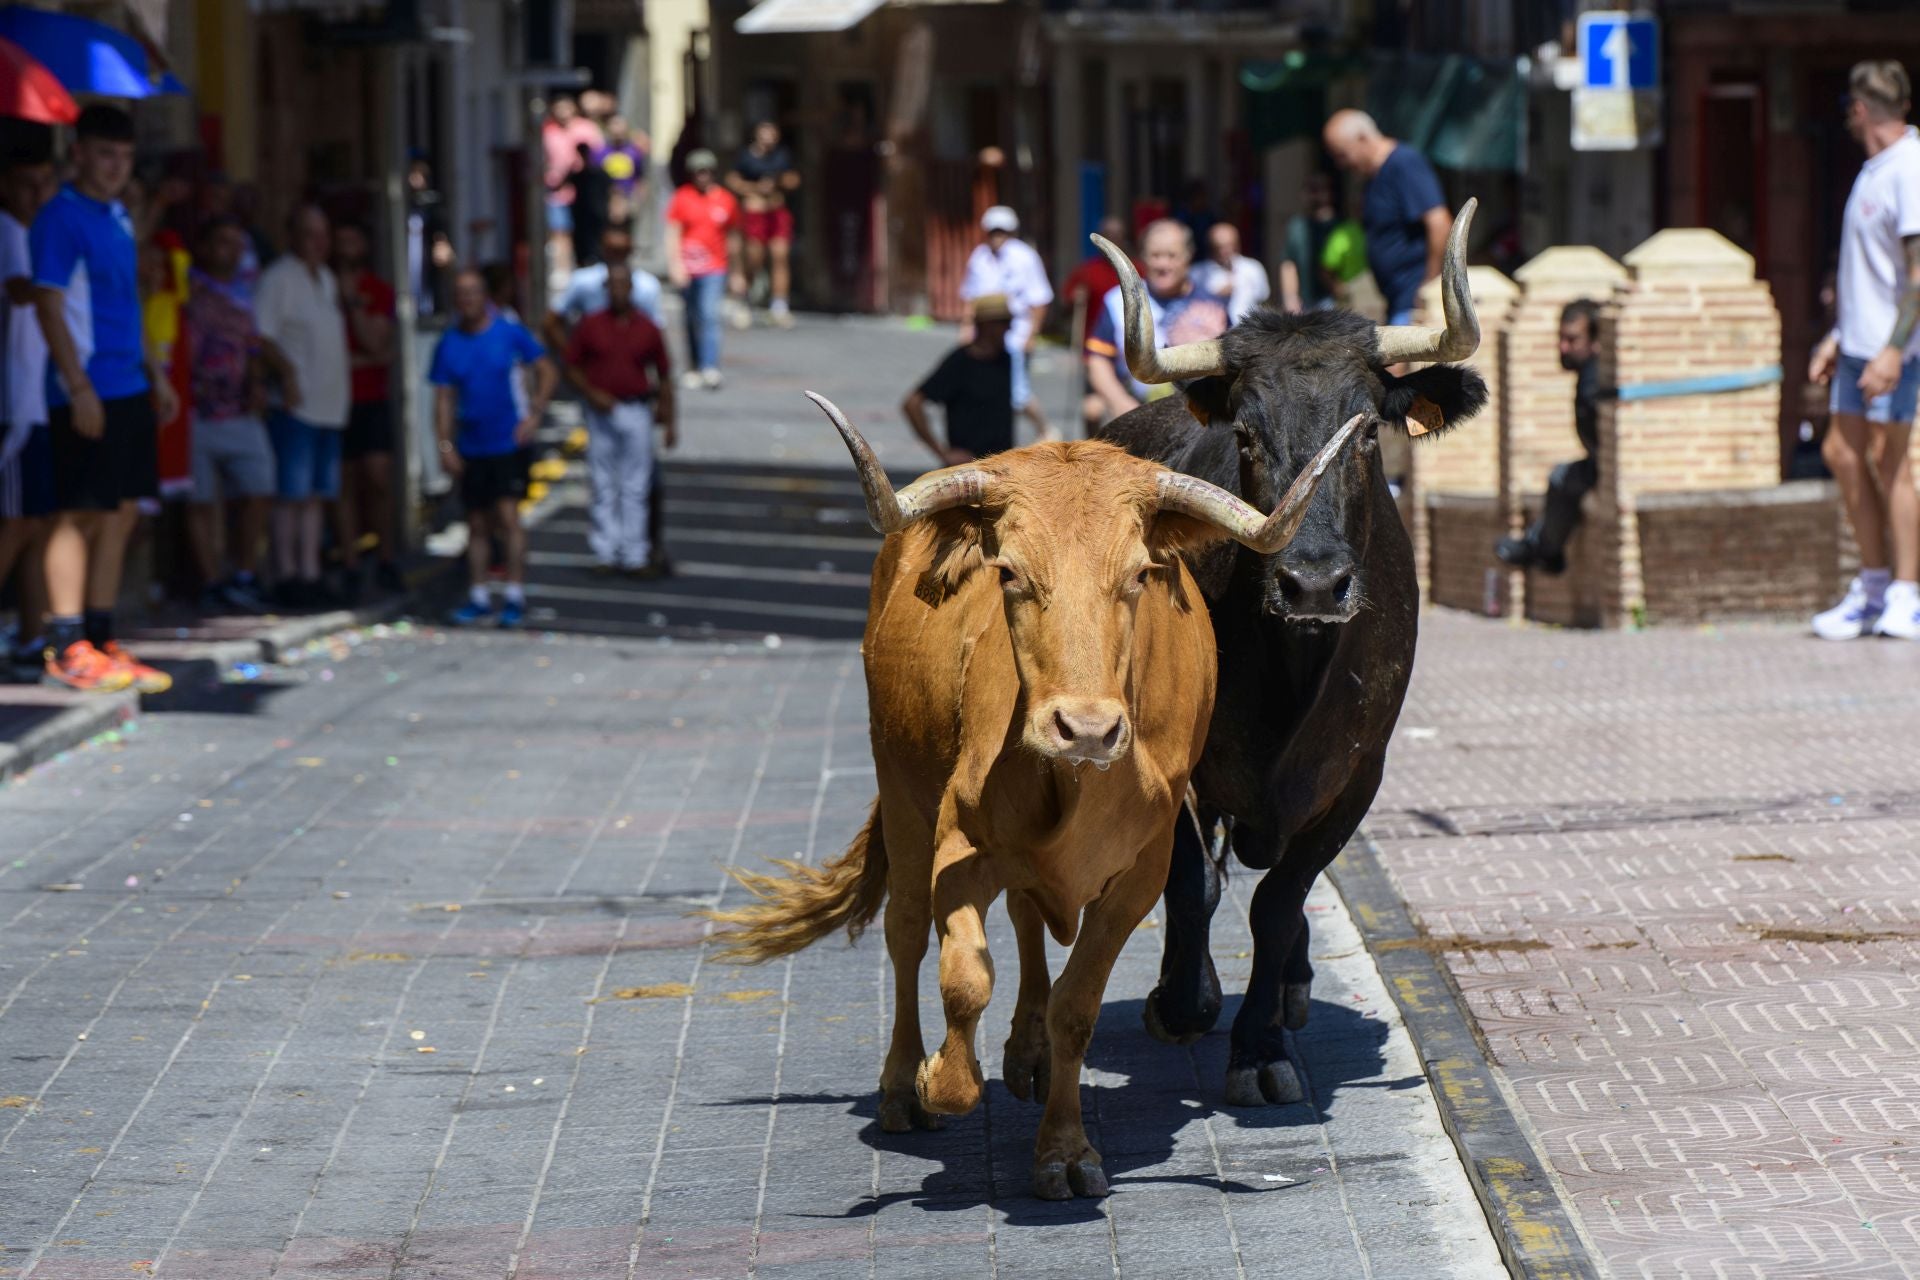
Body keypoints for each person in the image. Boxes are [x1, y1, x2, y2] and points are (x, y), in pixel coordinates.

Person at [31, 105, 177, 693]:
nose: (116, 167)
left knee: (119, 514)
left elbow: (129, 303)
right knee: (77, 511)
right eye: (105, 155)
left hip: (129, 385)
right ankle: (66, 646)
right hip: (84, 387)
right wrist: (78, 386)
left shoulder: (119, 215)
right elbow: (48, 303)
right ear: (79, 153)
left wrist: (156, 375)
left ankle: (102, 637)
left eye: (125, 157)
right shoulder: (59, 219)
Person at [1810, 62, 1920, 641]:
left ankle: (1907, 593)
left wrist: (1894, 351)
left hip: (1892, 348)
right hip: (1856, 344)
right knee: (1841, 453)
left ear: (1860, 109)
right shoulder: (1873, 170)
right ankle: (1873, 587)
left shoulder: (1910, 168)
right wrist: (1836, 337)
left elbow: (1918, 276)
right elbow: (1869, 274)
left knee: (1890, 460)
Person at [430, 268, 555, 629]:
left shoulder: (509, 333)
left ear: (485, 296)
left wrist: (534, 415)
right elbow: (442, 399)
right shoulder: (449, 343)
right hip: (471, 444)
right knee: (476, 523)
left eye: (473, 292)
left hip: (508, 441)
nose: (467, 300)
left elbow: (547, 370)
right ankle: (479, 595)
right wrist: (444, 444)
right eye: (461, 293)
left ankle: (514, 594)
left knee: (509, 517)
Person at [545, 225, 670, 574]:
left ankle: (636, 554)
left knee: (637, 484)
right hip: (599, 408)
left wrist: (667, 413)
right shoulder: (585, 299)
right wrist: (588, 387)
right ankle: (606, 553)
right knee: (603, 483)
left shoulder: (647, 309)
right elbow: (557, 333)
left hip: (636, 407)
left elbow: (663, 368)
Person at [183, 218, 285, 615]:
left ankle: (243, 573)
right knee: (200, 500)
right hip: (195, 409)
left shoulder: (250, 290)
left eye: (236, 242)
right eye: (221, 241)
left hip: (241, 409)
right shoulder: (188, 285)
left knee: (259, 487)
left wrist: (262, 381)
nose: (230, 250)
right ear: (205, 247)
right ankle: (211, 581)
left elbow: (255, 346)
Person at [255, 205, 351, 610]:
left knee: (315, 495)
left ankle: (310, 572)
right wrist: (287, 375)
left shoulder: (326, 278)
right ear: (293, 236)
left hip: (330, 403)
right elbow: (261, 334)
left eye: (324, 233)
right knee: (290, 494)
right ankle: (287, 573)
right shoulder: (279, 278)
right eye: (311, 234)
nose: (320, 242)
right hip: (297, 404)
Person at [1084, 219, 1230, 423]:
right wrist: (1119, 401)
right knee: (1092, 408)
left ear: (1188, 256)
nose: (1163, 264)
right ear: (1142, 257)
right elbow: (1097, 360)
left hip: (1197, 412)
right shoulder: (1118, 300)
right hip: (1135, 404)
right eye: (1155, 256)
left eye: (1171, 256)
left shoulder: (1213, 305)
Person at [1495, 300, 1602, 575]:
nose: (1563, 348)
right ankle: (1539, 549)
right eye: (1561, 338)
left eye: (1573, 339)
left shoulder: (1596, 376)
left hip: (1608, 469)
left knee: (1563, 478)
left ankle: (1542, 551)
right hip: (1600, 464)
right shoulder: (1590, 373)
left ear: (1595, 340)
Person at [0, 147, 55, 677]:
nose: (35, 195)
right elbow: (20, 292)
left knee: (37, 525)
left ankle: (33, 636)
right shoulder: (8, 230)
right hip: (15, 401)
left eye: (44, 183)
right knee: (16, 523)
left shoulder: (36, 234)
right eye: (24, 183)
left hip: (41, 398)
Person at [1322, 109, 1450, 326]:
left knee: (1396, 360)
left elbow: (1440, 223)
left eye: (1343, 154)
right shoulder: (1374, 177)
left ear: (1362, 139)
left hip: (1412, 299)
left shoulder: (1404, 164)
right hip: (1395, 299)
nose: (1342, 165)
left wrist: (1429, 285)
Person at [332, 221, 403, 600]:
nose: (346, 246)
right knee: (341, 483)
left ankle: (386, 555)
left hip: (371, 398)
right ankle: (350, 562)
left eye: (352, 238)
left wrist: (354, 305)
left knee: (377, 478)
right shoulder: (322, 285)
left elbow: (378, 348)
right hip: (333, 399)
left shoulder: (377, 291)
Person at [960, 206, 1054, 439]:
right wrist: (966, 327)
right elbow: (970, 296)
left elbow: (1039, 299)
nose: (996, 236)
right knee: (984, 388)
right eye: (993, 231)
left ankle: (1044, 429)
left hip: (1014, 333)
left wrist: (1032, 335)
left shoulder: (1025, 257)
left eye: (1001, 231)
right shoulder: (979, 257)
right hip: (983, 335)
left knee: (1017, 393)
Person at [903, 294, 1017, 465]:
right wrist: (942, 452)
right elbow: (912, 404)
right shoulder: (960, 362)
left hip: (1002, 468)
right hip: (967, 471)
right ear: (986, 325)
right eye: (1004, 323)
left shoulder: (1005, 359)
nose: (1009, 328)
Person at [665, 149, 739, 390]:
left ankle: (710, 366)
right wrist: (675, 265)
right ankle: (694, 365)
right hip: (688, 268)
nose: (702, 176)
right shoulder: (682, 197)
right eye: (698, 172)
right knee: (690, 318)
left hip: (715, 268)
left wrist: (737, 272)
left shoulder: (726, 200)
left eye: (706, 171)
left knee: (709, 316)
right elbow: (673, 233)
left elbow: (734, 238)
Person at [726, 121, 800, 329]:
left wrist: (779, 183)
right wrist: (755, 188)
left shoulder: (782, 156)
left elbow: (794, 179)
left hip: (776, 210)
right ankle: (745, 299)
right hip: (754, 210)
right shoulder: (747, 156)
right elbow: (732, 180)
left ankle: (779, 306)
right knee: (754, 258)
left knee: (780, 256)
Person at [542, 96, 604, 280]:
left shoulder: (586, 128)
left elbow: (598, 156)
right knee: (560, 230)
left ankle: (587, 265)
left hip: (584, 190)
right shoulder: (548, 131)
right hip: (556, 190)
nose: (563, 112)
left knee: (585, 229)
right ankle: (563, 270)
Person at [1280, 172, 1341, 313]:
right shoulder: (1297, 226)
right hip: (1305, 302)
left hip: (1335, 302)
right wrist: (1290, 297)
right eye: (1311, 190)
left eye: (1320, 189)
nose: (1316, 195)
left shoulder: (1340, 226)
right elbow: (1288, 264)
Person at [1195, 222, 1270, 324]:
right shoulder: (1198, 273)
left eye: (1229, 245)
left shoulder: (1253, 268)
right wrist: (1215, 297)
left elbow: (1263, 298)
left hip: (1249, 332)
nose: (1224, 251)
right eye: (1219, 247)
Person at [597, 116, 649, 231]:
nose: (617, 133)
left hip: (628, 197)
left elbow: (640, 177)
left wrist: (639, 198)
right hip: (608, 198)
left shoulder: (634, 152)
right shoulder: (601, 153)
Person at [567, 141, 612, 270]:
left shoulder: (599, 173)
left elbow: (612, 191)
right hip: (581, 216)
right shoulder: (578, 175)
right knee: (582, 244)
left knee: (599, 242)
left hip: (598, 214)